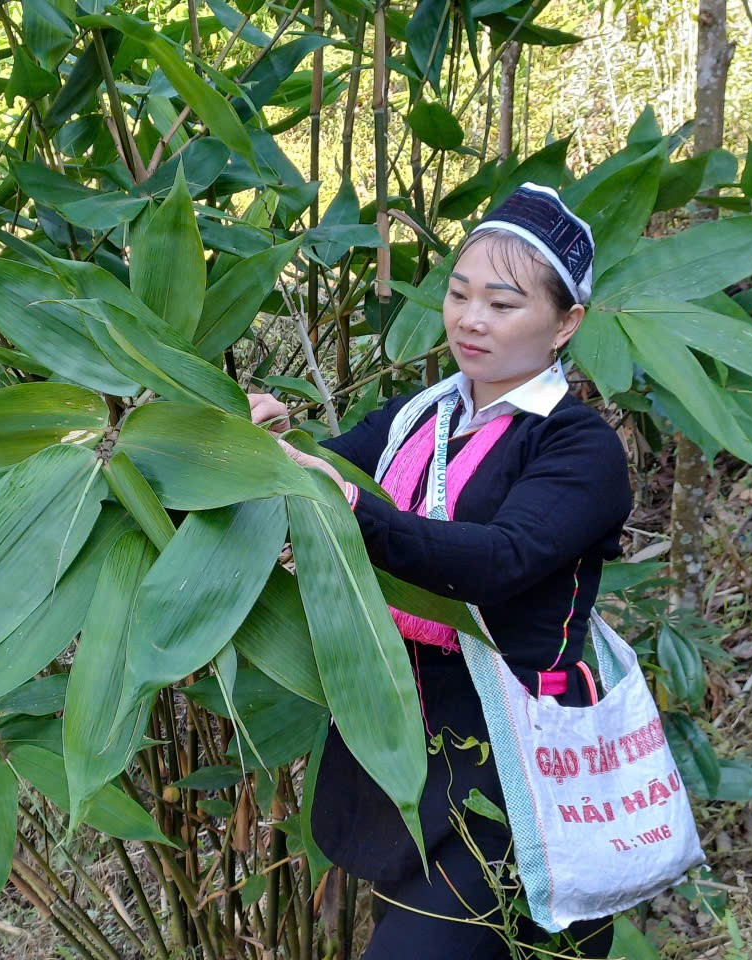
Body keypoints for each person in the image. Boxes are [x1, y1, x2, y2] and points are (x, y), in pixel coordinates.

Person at [248, 183, 632, 959]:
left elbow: (499, 560)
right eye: (459, 295)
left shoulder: (577, 448)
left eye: (501, 302)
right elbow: (320, 483)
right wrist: (261, 445)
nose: (470, 319)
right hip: (400, 738)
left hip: (515, 752)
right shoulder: (413, 419)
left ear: (566, 325)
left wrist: (351, 503)